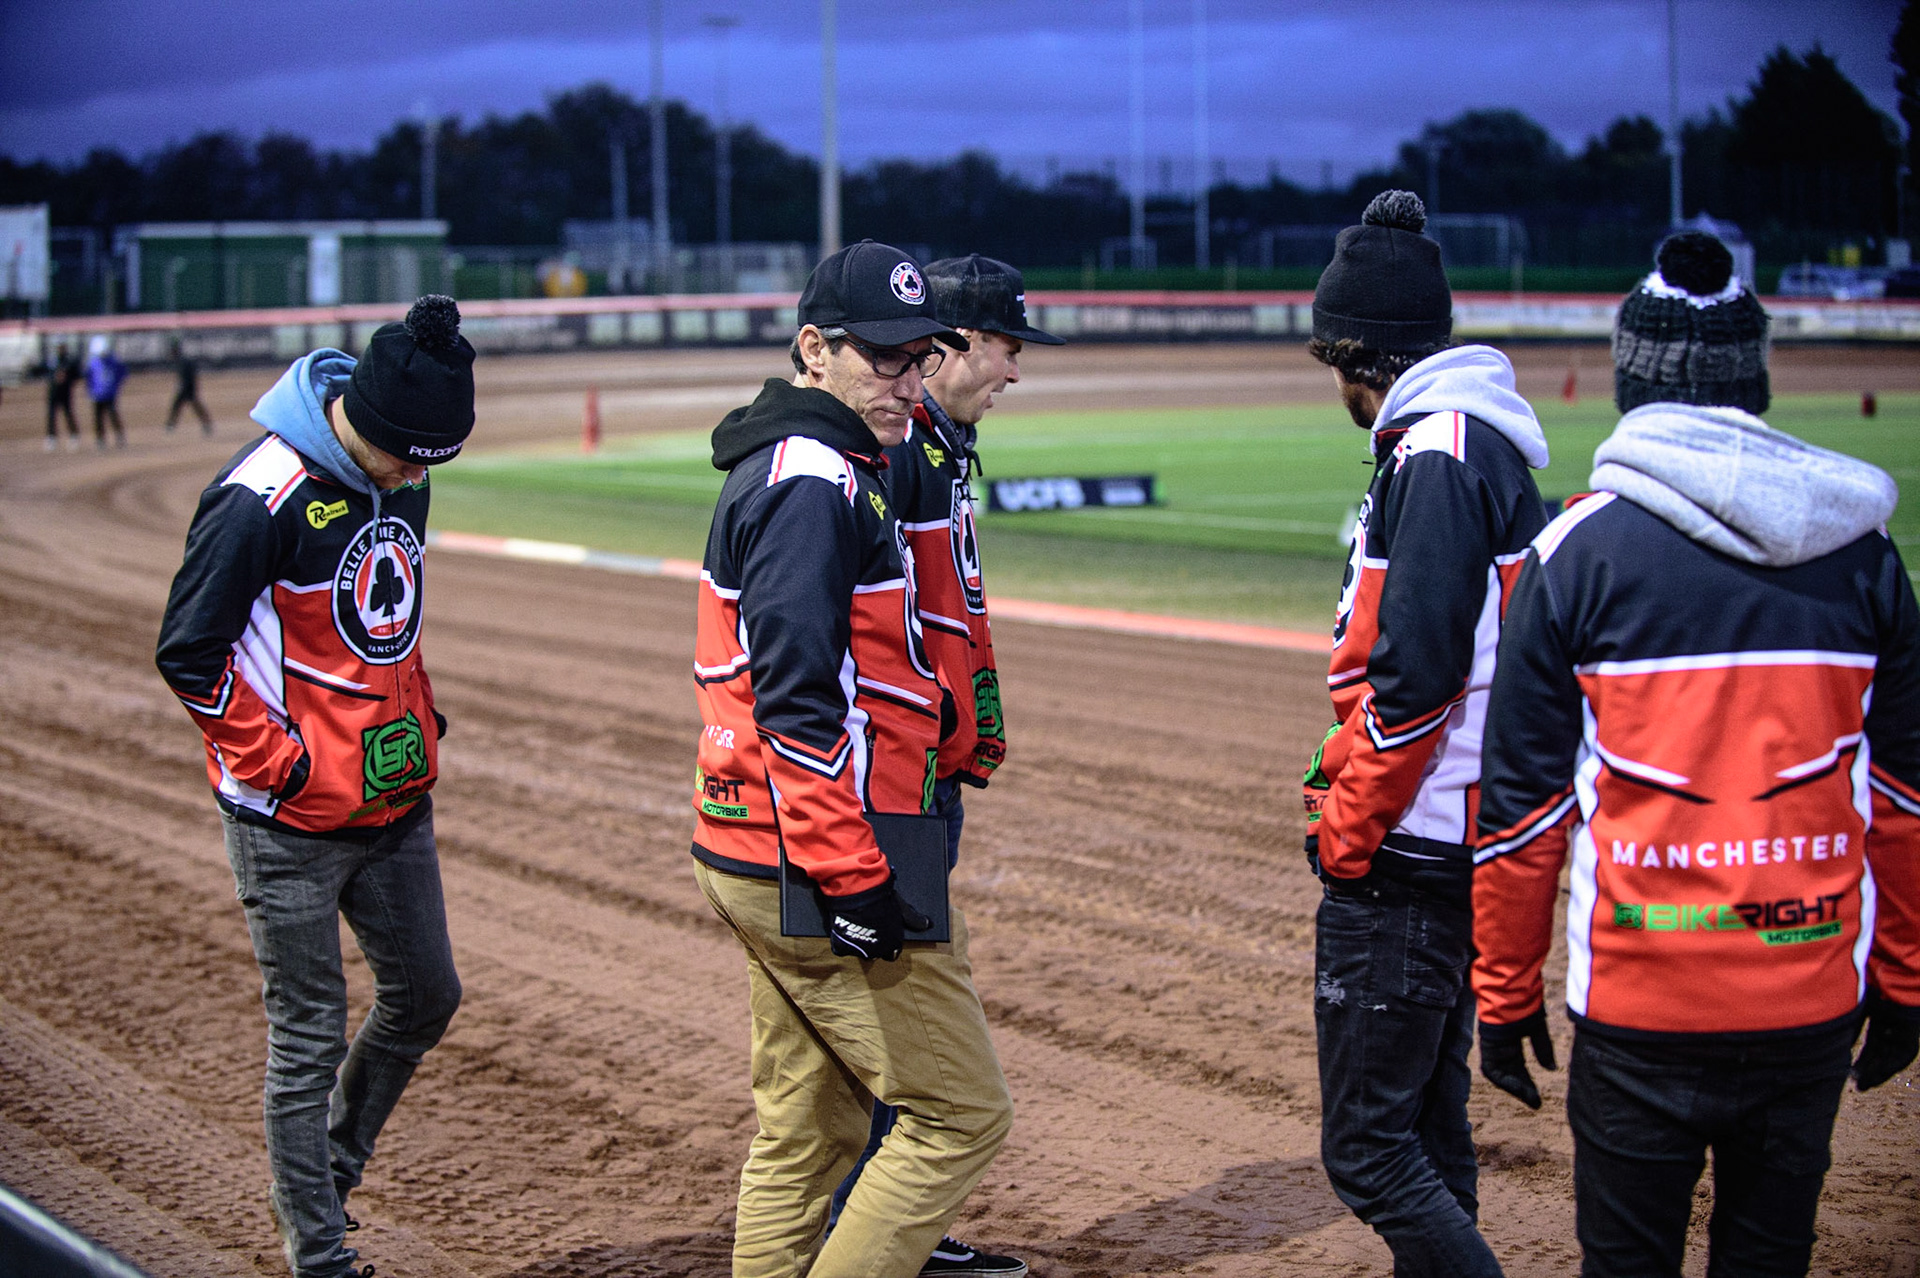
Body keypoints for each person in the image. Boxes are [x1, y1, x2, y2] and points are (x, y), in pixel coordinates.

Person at [1471, 231, 1920, 1278]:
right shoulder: (1866, 554)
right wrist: (1903, 979)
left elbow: (1523, 814)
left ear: (1633, 381)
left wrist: (1502, 993)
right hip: (1807, 995)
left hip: (1639, 1006)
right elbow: (1903, 799)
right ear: (1754, 380)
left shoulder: (1571, 553)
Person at [690, 239, 1016, 1278]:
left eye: (917, 358)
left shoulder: (821, 466)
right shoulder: (810, 482)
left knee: (810, 1130)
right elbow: (797, 707)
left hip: (765, 843)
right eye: (882, 359)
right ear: (813, 350)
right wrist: (853, 874)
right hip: (825, 850)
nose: (905, 381)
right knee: (959, 1116)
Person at [155, 296, 475, 1278]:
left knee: (425, 994)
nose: (418, 478)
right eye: (408, 456)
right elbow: (189, 653)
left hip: (390, 803)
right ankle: (321, 1257)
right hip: (285, 819)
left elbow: (390, 620)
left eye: (433, 461)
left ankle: (325, 1170)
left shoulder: (401, 471)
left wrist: (412, 720)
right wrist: (283, 764)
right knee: (307, 1034)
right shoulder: (260, 498)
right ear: (363, 422)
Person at [1299, 190, 1549, 1278]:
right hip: (1456, 836)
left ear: (1357, 353)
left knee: (1368, 1150)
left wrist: (1348, 833)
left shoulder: (1439, 455)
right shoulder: (1466, 444)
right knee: (1428, 1132)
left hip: (1414, 846)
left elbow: (1416, 683)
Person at [825, 254, 1064, 1278]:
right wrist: (927, 749)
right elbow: (890, 632)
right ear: (956, 344)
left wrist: (975, 726)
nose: (1016, 369)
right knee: (898, 1016)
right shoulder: (902, 451)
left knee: (895, 1010)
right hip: (897, 783)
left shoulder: (947, 447)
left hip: (931, 769)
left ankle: (886, 1224)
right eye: (1008, 346)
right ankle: (877, 1233)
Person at [166, 335, 215, 434]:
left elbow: (188, 377)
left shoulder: (183, 362)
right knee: (185, 407)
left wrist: (185, 387)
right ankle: (206, 425)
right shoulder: (182, 361)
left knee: (180, 406)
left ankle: (171, 425)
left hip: (187, 389)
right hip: (188, 389)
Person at [86, 333, 127, 448]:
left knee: (113, 415)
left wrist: (116, 386)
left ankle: (119, 436)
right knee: (98, 418)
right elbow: (89, 378)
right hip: (98, 395)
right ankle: (100, 439)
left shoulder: (113, 361)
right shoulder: (94, 363)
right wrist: (90, 390)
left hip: (110, 394)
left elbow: (122, 374)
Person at [44, 342, 81, 451]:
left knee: (68, 413)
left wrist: (67, 379)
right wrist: (54, 378)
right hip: (53, 392)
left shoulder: (70, 361)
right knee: (51, 415)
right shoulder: (52, 361)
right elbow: (45, 372)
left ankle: (74, 436)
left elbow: (77, 375)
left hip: (65, 392)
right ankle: (51, 437)